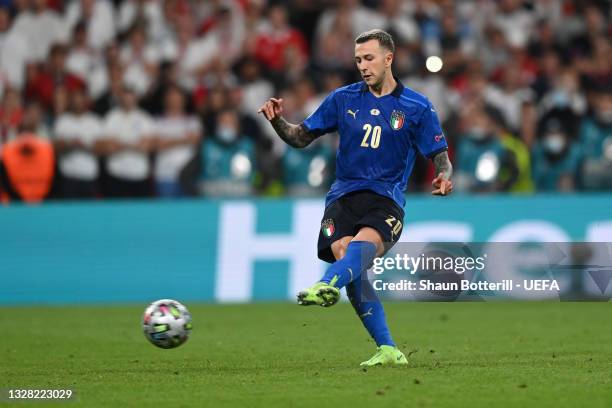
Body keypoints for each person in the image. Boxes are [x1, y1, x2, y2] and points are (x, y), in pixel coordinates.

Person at [258, 29, 453, 367]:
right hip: (342, 198)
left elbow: (441, 157)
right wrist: (278, 122)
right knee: (352, 266)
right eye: (358, 60)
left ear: (388, 59)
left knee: (357, 253)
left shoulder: (417, 106)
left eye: (369, 58)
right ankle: (388, 349)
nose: (362, 66)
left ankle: (324, 283)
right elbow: (300, 137)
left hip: (386, 199)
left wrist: (444, 178)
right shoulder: (342, 99)